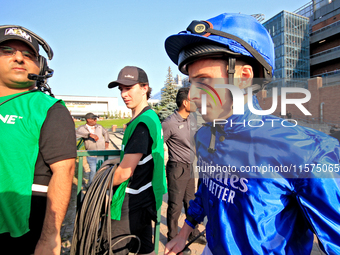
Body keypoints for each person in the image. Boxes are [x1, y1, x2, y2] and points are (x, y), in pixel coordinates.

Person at [164, 13, 340, 255]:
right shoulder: (205, 136)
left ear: (244, 78)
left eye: (203, 80)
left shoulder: (307, 152)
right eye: (191, 82)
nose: (193, 95)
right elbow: (206, 189)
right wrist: (184, 233)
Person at [0, 25, 76, 254]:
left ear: (40, 66)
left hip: (18, 233)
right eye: (8, 51)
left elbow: (65, 171)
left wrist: (49, 238)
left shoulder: (48, 109)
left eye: (28, 54)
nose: (19, 58)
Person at [106, 66, 167, 255]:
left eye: (129, 88)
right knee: (145, 248)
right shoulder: (149, 117)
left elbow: (125, 172)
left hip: (130, 200)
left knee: (114, 248)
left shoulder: (142, 124)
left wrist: (100, 186)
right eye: (121, 89)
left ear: (144, 88)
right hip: (144, 197)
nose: (124, 94)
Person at [162, 87, 205, 245]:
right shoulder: (169, 123)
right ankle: (172, 238)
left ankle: (193, 233)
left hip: (190, 167)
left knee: (191, 202)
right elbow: (158, 146)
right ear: (185, 103)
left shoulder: (192, 119)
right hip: (177, 168)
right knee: (175, 205)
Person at [76, 112, 109, 184]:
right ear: (88, 120)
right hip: (91, 153)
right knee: (93, 170)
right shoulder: (82, 128)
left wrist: (107, 141)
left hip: (101, 152)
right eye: (94, 119)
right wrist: (88, 135)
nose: (95, 120)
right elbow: (76, 134)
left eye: (96, 119)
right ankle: (91, 185)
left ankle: (100, 185)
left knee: (102, 169)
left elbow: (105, 132)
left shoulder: (99, 126)